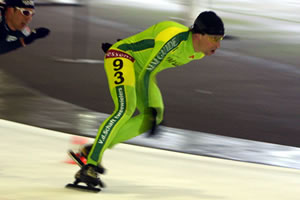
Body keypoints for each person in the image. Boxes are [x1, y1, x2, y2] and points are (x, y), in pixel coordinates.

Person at [70, 11, 225, 189]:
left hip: (139, 66)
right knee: (125, 108)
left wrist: (151, 109)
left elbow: (147, 50)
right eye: (214, 38)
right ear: (198, 35)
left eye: (221, 39)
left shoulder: (197, 53)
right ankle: (90, 165)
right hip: (123, 57)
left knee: (155, 117)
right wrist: (123, 47)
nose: (218, 45)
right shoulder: (173, 40)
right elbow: (148, 72)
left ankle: (92, 150)